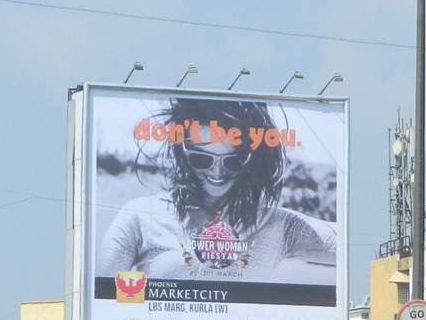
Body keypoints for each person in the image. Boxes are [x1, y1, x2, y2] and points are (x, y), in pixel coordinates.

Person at [96, 97, 336, 285]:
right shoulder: (140, 216)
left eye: (233, 161)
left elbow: (349, 247)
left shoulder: (279, 225)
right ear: (182, 155)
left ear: (250, 162)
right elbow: (101, 296)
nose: (217, 173)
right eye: (201, 160)